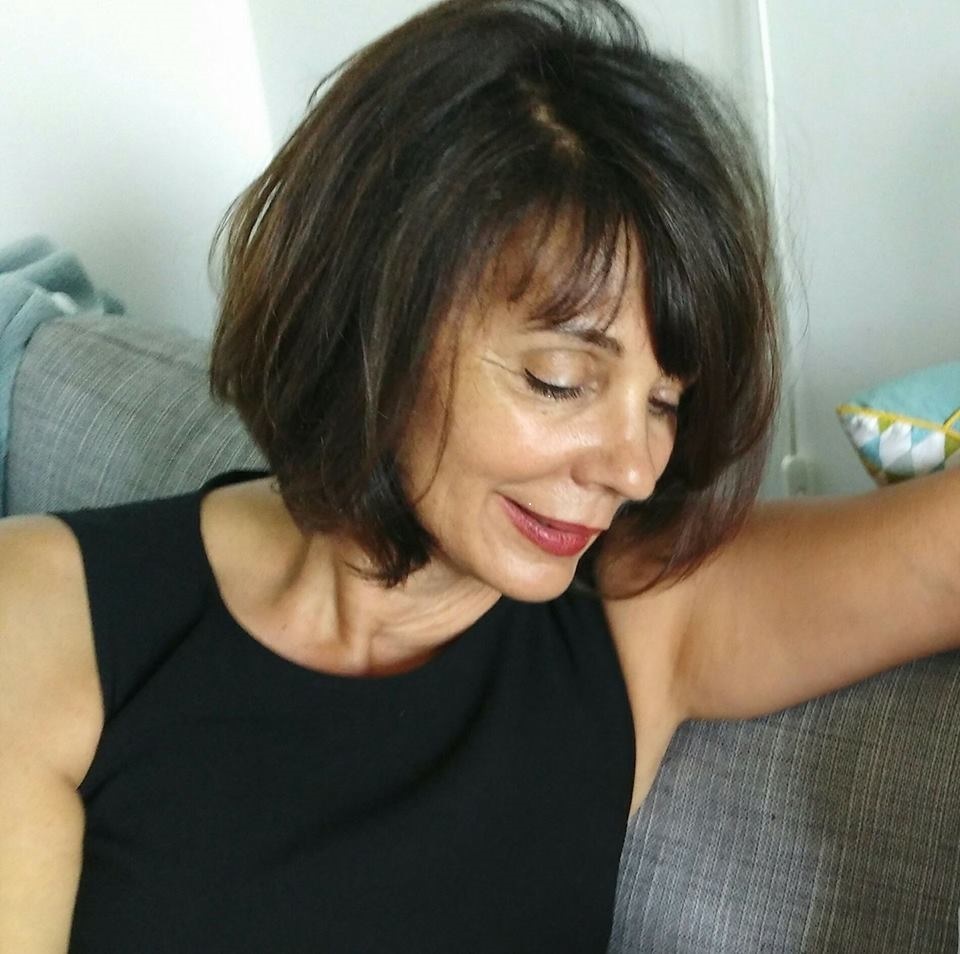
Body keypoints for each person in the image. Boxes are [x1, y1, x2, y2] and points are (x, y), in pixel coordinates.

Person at [1, 0, 957, 951]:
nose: (634, 468)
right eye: (561, 381)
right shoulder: (46, 617)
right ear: (376, 317)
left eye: (667, 401)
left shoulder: (635, 617)